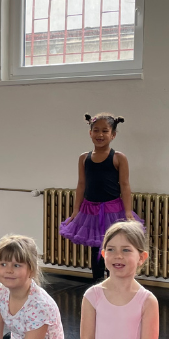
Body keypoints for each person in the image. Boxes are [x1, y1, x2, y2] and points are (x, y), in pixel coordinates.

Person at [59, 113, 140, 281]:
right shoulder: (84, 158)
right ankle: (97, 281)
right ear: (90, 133)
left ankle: (114, 280)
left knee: (113, 246)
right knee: (96, 247)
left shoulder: (118, 157)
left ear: (113, 135)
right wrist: (76, 210)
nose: (100, 134)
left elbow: (125, 185)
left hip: (113, 210)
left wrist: (128, 211)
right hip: (90, 210)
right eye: (96, 130)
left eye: (105, 131)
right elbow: (81, 184)